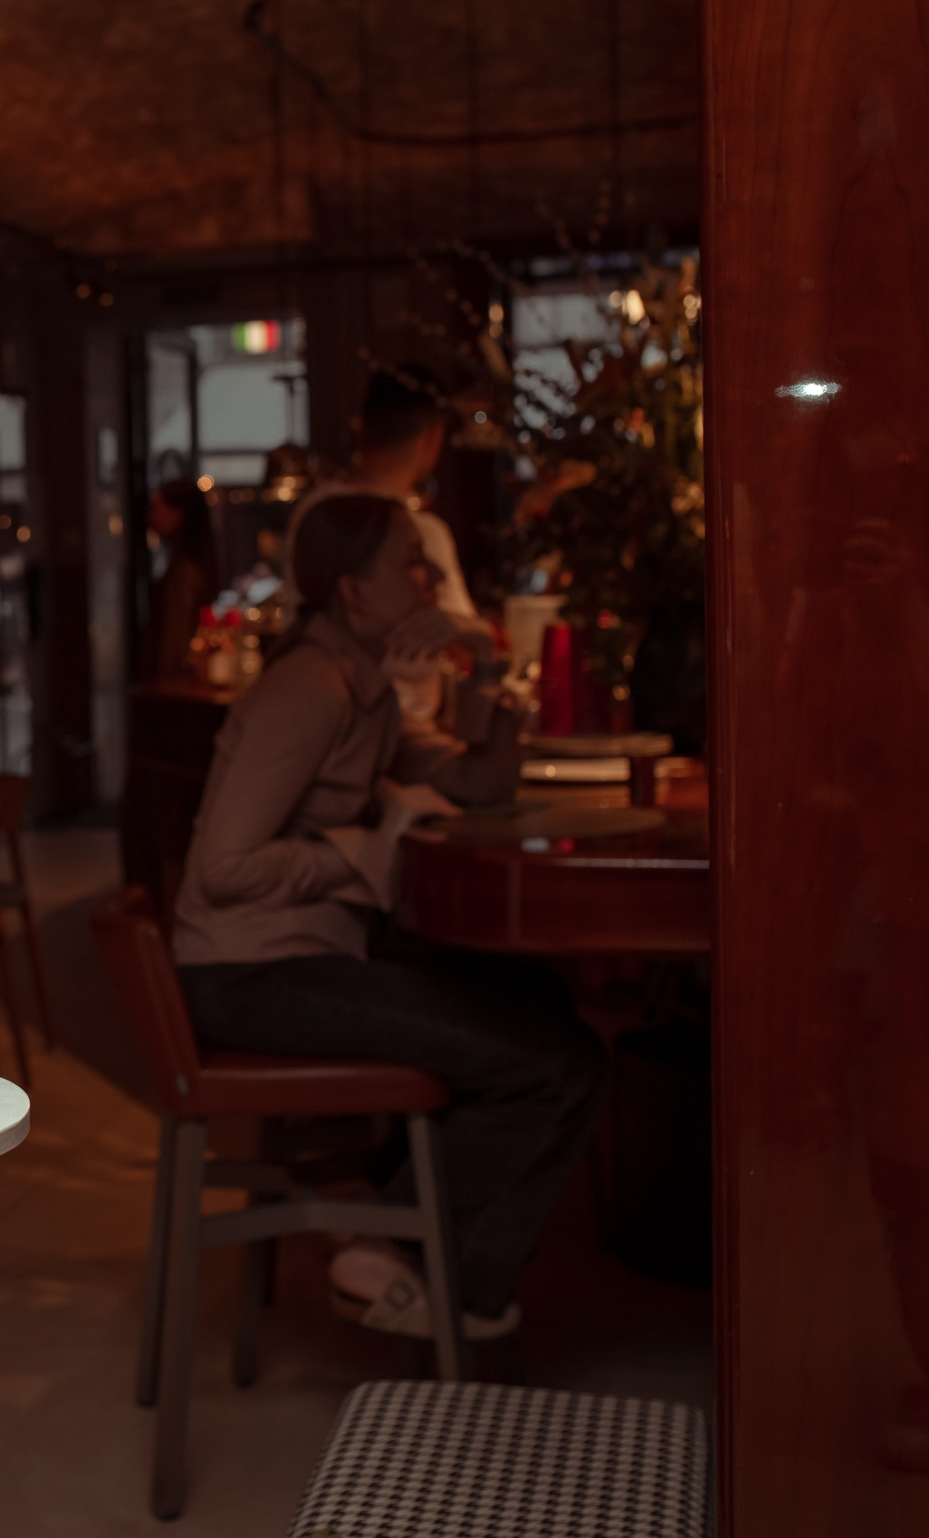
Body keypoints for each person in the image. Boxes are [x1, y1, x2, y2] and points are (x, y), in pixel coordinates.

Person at [174, 493, 603, 1341]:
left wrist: (481, 667)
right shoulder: (309, 688)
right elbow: (219, 869)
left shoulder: (362, 687)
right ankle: (421, 1265)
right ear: (353, 594)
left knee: (544, 1005)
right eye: (413, 561)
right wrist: (361, 851)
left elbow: (483, 784)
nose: (434, 577)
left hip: (302, 954)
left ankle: (390, 1225)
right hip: (248, 973)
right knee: (556, 1062)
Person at [286, 367, 497, 727]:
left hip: (322, 714)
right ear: (432, 438)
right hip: (397, 726)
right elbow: (462, 645)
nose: (433, 577)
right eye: (415, 563)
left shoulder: (311, 512)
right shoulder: (418, 530)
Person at [138, 478, 220, 687]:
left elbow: (175, 639)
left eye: (157, 507)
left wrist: (166, 683)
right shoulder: (187, 562)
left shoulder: (186, 570)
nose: (150, 516)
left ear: (178, 514)